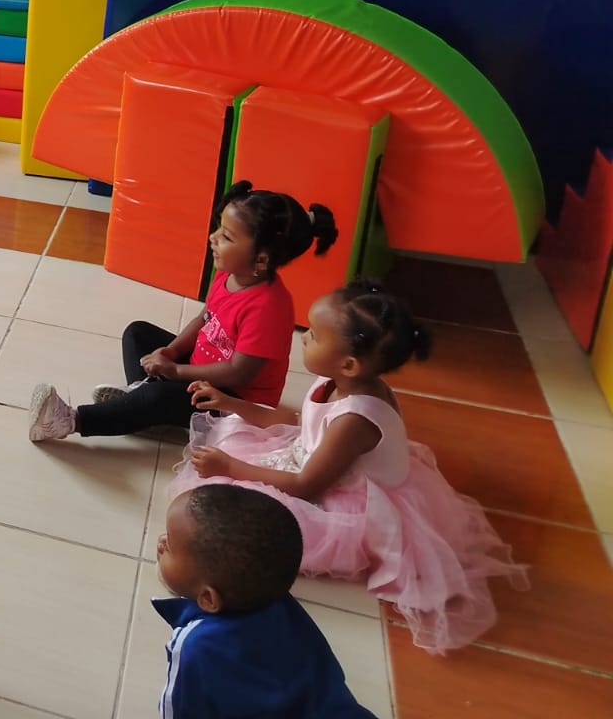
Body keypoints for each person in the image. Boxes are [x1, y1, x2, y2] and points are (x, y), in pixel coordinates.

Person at [173, 280, 528, 653]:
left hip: (345, 497)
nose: (304, 337)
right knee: (232, 446)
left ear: (349, 363)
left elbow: (305, 486)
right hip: (313, 461)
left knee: (249, 521)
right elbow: (302, 421)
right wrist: (233, 404)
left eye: (314, 334)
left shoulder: (355, 419)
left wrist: (231, 467)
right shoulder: (337, 379)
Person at [28, 182, 337, 442]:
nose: (213, 237)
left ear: (261, 260)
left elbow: (239, 372)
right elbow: (204, 319)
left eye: (227, 236)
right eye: (219, 228)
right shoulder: (229, 273)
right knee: (138, 333)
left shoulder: (270, 306)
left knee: (158, 398)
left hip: (232, 401)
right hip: (201, 371)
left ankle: (71, 421)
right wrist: (172, 351)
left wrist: (175, 371)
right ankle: (140, 402)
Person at [153, 483, 374, 718]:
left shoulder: (194, 645)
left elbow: (180, 710)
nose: (161, 543)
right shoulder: (273, 596)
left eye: (170, 545)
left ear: (208, 598)